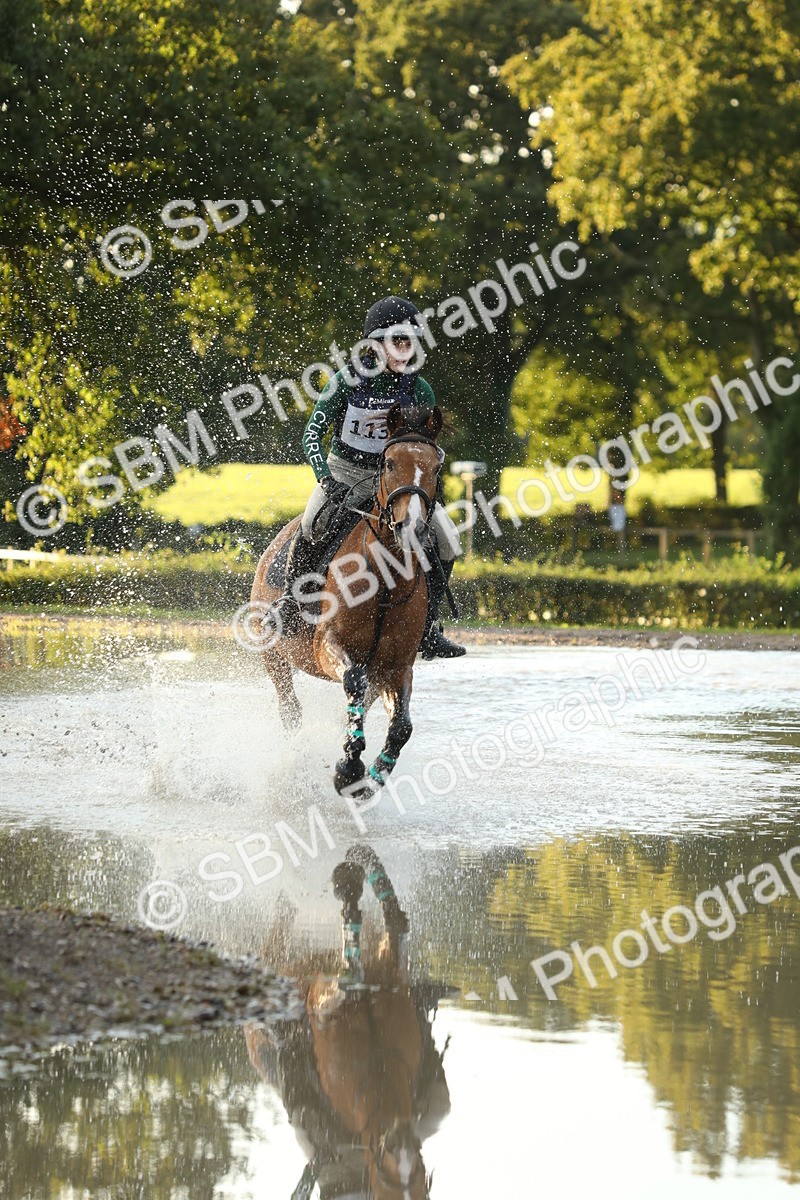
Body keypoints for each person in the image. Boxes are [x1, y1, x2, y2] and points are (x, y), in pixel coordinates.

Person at [273, 295, 465, 659]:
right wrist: (325, 478)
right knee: (313, 524)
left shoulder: (419, 389)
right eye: (398, 341)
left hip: (396, 480)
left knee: (448, 540)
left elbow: (422, 447)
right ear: (375, 344)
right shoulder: (346, 381)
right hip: (345, 470)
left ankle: (429, 627)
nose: (405, 350)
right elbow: (310, 435)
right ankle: (288, 602)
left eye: (410, 341)